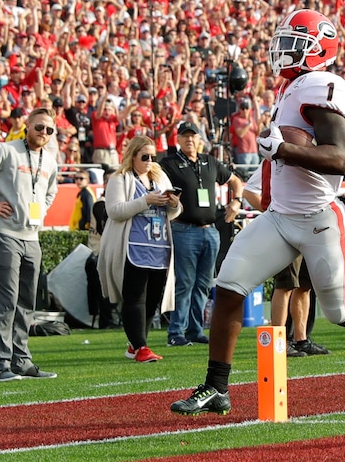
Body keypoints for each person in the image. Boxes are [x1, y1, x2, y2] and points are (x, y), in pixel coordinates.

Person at [171, 10, 345, 416]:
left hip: (318, 217)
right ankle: (216, 387)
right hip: (280, 217)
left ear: (319, 49)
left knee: (343, 312)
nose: (285, 50)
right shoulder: (292, 87)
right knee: (227, 288)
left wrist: (282, 149)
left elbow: (339, 158)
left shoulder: (323, 85)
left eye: (296, 43)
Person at [0, 108, 59, 382]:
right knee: (5, 303)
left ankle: (21, 360)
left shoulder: (50, 161)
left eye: (49, 130)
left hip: (32, 239)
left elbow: (51, 191)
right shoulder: (5, 150)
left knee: (26, 303)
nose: (43, 133)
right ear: (27, 126)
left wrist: (42, 212)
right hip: (2, 235)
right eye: (39, 127)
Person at [97, 136, 182, 361]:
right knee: (135, 296)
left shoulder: (160, 177)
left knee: (153, 298)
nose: (150, 161)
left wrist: (174, 204)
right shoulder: (120, 178)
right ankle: (141, 347)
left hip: (159, 245)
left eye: (153, 157)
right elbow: (114, 210)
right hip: (132, 245)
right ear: (132, 156)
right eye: (145, 156)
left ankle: (136, 345)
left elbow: (173, 214)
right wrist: (146, 201)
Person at [160, 122, 244, 347]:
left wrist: (236, 201)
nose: (189, 140)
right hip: (183, 228)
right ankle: (176, 331)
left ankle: (195, 330)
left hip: (210, 230)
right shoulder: (169, 163)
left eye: (193, 136)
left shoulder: (210, 161)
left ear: (200, 140)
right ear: (177, 140)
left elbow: (236, 181)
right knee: (185, 282)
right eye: (185, 137)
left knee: (204, 284)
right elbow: (157, 185)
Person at [242, 162, 329, 357]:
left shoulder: (307, 155)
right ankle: (278, 342)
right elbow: (250, 192)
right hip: (285, 225)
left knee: (304, 285)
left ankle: (301, 339)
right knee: (285, 284)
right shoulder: (274, 158)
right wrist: (272, 215)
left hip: (309, 224)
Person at [85, 168, 118, 329]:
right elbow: (105, 231)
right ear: (105, 184)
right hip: (100, 253)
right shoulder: (101, 204)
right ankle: (107, 320)